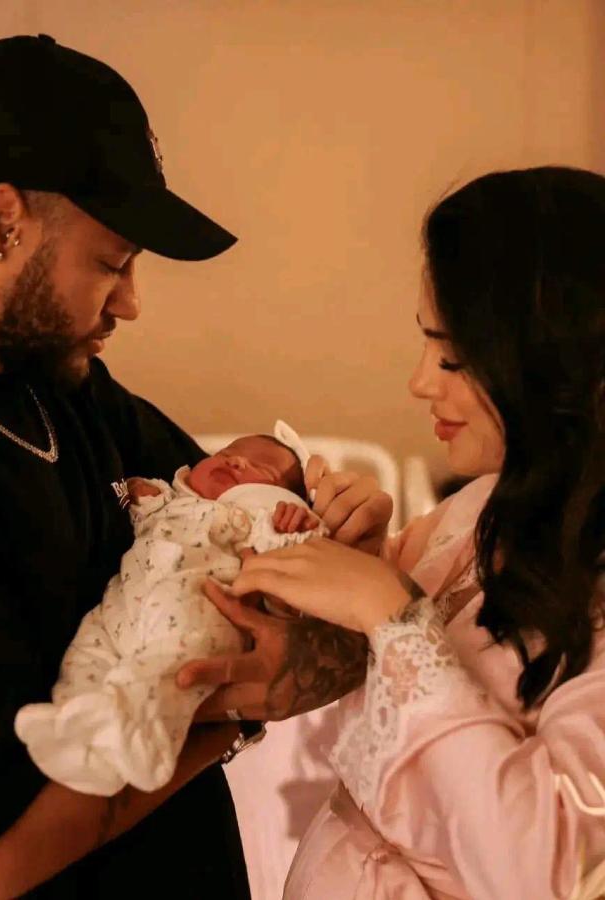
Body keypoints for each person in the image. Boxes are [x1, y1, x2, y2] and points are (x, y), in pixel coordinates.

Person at [0, 35, 389, 898]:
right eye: (110, 264)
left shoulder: (77, 393)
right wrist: (233, 712)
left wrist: (349, 547)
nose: (130, 301)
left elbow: (308, 620)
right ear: (2, 223)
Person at [185, 167, 605, 898]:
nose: (420, 382)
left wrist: (391, 612)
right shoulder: (482, 507)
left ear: (551, 360)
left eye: (452, 357)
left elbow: (549, 869)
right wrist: (366, 555)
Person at [14, 429, 325, 797]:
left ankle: (147, 747)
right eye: (228, 453)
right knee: (89, 650)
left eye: (263, 469)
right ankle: (75, 726)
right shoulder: (170, 501)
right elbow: (135, 512)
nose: (237, 461)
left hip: (199, 614)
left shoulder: (262, 520)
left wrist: (296, 527)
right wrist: (139, 494)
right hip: (124, 607)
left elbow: (295, 581)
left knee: (163, 675)